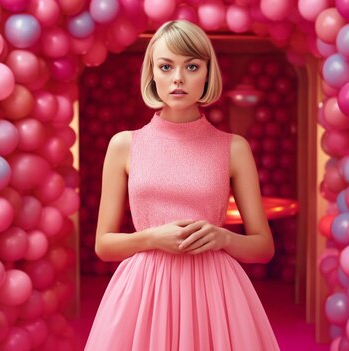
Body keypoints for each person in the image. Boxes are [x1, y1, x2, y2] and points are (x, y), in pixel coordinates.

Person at [84, 20, 280, 351]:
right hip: (143, 295)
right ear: (152, 74)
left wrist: (222, 237)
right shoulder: (124, 145)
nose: (178, 77)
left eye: (191, 66)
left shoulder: (233, 148)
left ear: (207, 74)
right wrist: (152, 238)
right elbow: (104, 245)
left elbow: (263, 247)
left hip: (215, 294)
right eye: (166, 66)